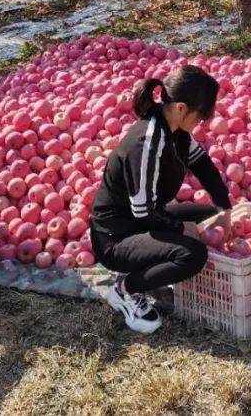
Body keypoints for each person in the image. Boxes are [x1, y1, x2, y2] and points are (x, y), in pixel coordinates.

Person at [91, 65, 232, 334]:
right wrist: (180, 229)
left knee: (206, 214)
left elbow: (202, 165)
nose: (201, 122)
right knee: (193, 254)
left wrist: (225, 208)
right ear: (181, 108)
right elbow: (143, 211)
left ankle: (153, 262)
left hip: (138, 222)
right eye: (200, 116)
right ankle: (125, 290)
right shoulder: (146, 143)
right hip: (115, 238)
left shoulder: (176, 132)